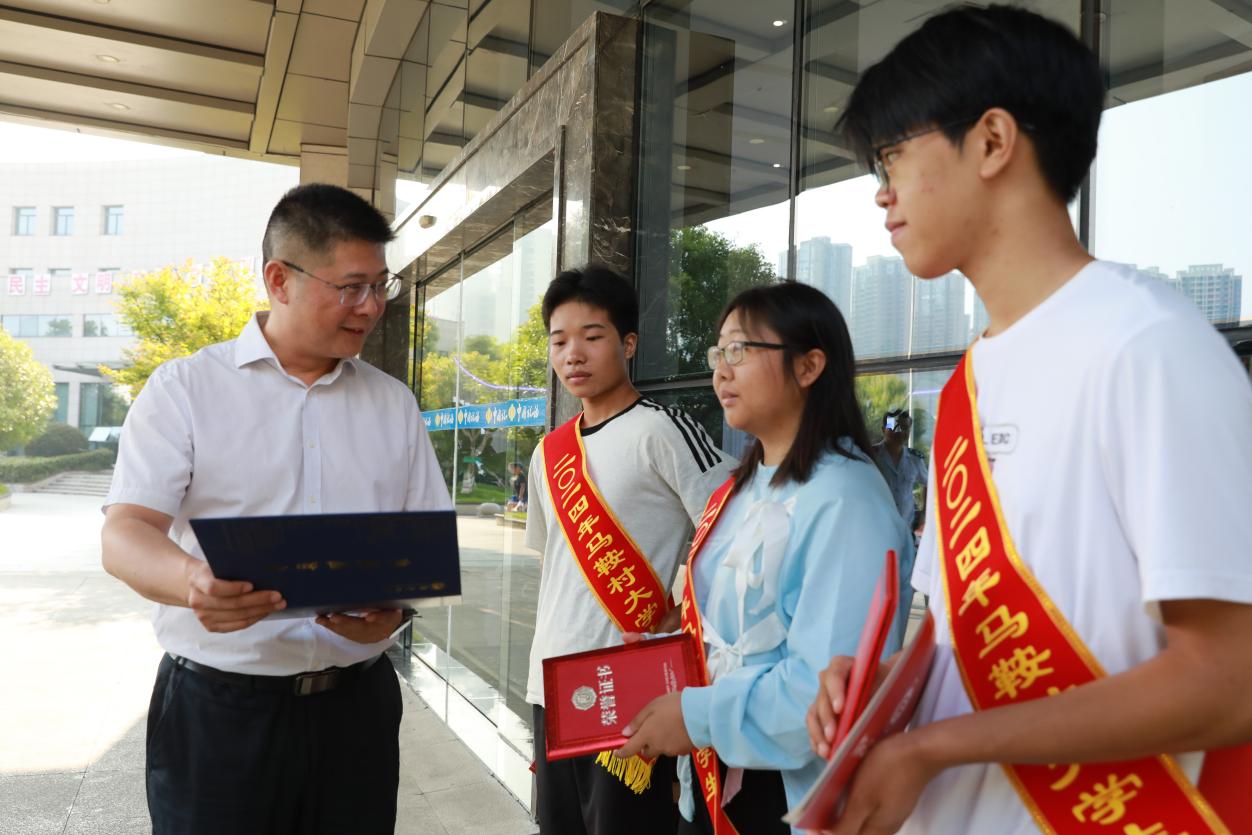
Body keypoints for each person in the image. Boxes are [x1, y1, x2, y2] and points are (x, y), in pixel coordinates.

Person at [806, 7, 1252, 835]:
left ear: (992, 141)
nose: (882, 192)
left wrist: (935, 748)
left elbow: (1229, 681)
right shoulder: (968, 381)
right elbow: (956, 634)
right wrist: (882, 687)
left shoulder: (1146, 344)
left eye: (894, 154)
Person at [100, 183, 450, 835]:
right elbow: (125, 532)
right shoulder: (187, 389)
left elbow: (420, 544)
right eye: (351, 287)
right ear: (279, 280)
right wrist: (192, 581)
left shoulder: (392, 403)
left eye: (382, 286)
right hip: (220, 714)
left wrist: (396, 610)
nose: (371, 307)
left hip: (358, 712)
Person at [615, 282, 912, 834]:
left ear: (809, 366)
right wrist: (670, 652)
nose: (721, 371)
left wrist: (696, 715)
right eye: (717, 353)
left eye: (740, 351)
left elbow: (828, 692)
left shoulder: (846, 499)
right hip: (715, 774)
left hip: (786, 795)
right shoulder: (745, 486)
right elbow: (738, 631)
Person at [525, 264, 735, 835]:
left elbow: (736, 523)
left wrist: (682, 588)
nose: (574, 354)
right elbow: (553, 566)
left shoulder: (663, 429)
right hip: (553, 686)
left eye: (592, 337)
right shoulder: (549, 454)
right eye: (559, 340)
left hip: (634, 687)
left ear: (628, 343)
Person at [870, 408, 927, 626]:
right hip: (876, 533)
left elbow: (928, 482)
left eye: (906, 428)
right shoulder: (871, 455)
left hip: (904, 534)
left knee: (904, 591)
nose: (901, 432)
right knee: (877, 590)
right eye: (896, 426)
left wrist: (923, 515)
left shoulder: (913, 459)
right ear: (884, 429)